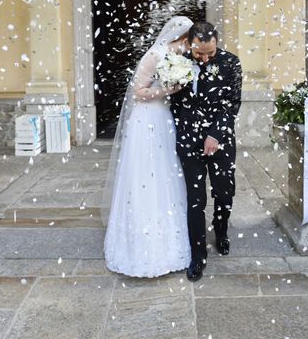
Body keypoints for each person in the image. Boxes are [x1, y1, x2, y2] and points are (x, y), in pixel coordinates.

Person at [103, 15, 193, 278]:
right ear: (182, 39)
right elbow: (138, 92)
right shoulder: (154, 55)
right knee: (145, 177)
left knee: (165, 175)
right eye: (189, 41)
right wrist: (168, 90)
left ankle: (168, 243)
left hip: (163, 119)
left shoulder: (175, 57)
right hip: (147, 120)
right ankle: (141, 246)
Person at [170, 21, 242, 281]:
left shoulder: (231, 62)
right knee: (195, 199)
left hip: (220, 139)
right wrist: (185, 131)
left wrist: (215, 134)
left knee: (225, 191)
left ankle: (221, 230)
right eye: (200, 53)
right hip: (189, 140)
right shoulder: (177, 62)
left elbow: (232, 103)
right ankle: (197, 255)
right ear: (190, 44)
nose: (205, 58)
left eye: (210, 53)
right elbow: (174, 103)